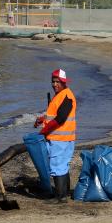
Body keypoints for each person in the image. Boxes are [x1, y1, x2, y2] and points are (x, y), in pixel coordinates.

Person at [34, 69, 77, 203]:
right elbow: (55, 114)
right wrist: (43, 119)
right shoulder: (61, 95)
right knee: (63, 166)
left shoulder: (66, 96)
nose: (54, 84)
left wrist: (44, 130)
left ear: (64, 83)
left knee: (57, 167)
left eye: (58, 82)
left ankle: (60, 197)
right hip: (65, 138)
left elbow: (60, 119)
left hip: (59, 139)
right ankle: (65, 193)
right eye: (53, 82)